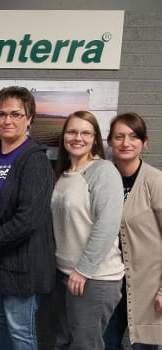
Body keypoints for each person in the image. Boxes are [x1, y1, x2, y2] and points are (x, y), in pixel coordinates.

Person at [0, 86, 56, 350]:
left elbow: (29, 217)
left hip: (22, 264)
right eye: (2, 114)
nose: (8, 120)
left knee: (20, 332)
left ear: (29, 118)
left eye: (16, 114)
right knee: (0, 322)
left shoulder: (35, 161)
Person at [51, 111, 124, 350]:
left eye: (85, 132)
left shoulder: (103, 171)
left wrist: (83, 270)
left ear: (95, 138)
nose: (77, 137)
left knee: (86, 346)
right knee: (64, 341)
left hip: (94, 278)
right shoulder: (63, 174)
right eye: (72, 131)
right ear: (64, 136)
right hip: (65, 274)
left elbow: (108, 225)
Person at [103, 112, 162, 349]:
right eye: (119, 137)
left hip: (149, 287)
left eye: (133, 136)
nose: (126, 143)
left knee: (144, 347)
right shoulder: (104, 178)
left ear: (144, 142)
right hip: (111, 282)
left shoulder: (155, 181)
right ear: (109, 142)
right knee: (106, 342)